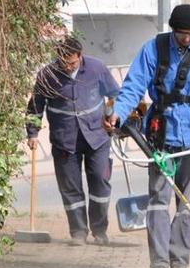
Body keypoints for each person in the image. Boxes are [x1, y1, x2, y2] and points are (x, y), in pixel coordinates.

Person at [104, 4, 190, 268]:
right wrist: (118, 114)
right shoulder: (154, 50)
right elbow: (133, 86)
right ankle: (159, 263)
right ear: (173, 29)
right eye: (182, 33)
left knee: (187, 205)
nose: (187, 39)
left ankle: (179, 262)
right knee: (158, 202)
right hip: (161, 138)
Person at [27, 36, 120, 246]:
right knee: (70, 187)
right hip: (65, 140)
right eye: (63, 63)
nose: (68, 67)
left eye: (72, 62)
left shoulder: (96, 68)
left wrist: (111, 115)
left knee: (100, 181)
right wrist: (32, 133)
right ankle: (78, 231)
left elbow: (115, 94)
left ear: (80, 56)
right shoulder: (47, 75)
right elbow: (35, 107)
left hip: (97, 136)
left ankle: (99, 230)